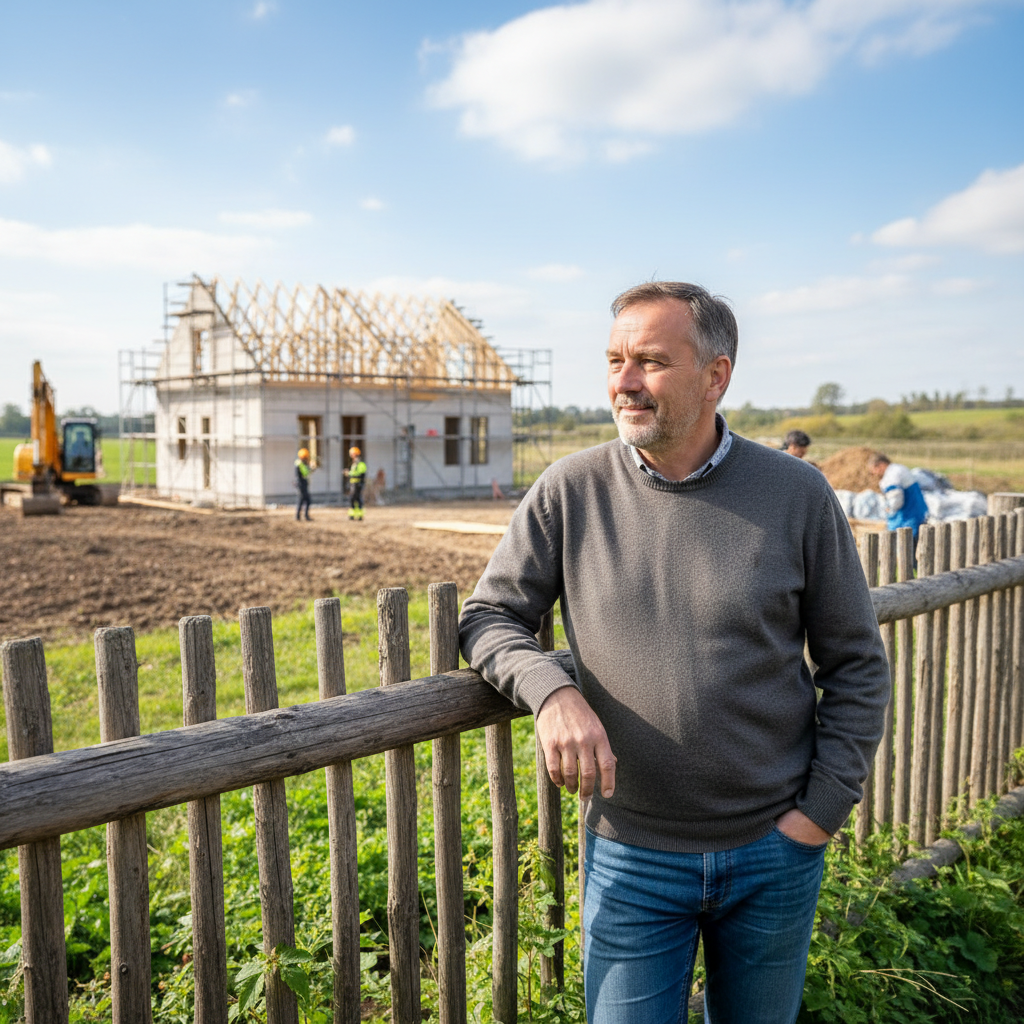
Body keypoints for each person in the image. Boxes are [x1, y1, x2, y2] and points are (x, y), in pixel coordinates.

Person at [459, 281, 890, 1024]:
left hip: (773, 850)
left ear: (716, 375)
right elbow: (489, 615)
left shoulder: (797, 493)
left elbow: (856, 665)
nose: (624, 383)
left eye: (651, 362)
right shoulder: (571, 491)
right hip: (631, 854)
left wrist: (818, 814)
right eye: (615, 360)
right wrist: (551, 691)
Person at [867, 452, 928, 539]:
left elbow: (896, 499)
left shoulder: (891, 476)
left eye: (874, 470)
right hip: (916, 514)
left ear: (881, 465)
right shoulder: (899, 468)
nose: (875, 474)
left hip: (906, 519)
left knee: (904, 546)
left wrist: (889, 509)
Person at [345, 446, 367, 521]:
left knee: (355, 499)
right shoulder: (354, 464)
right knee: (354, 499)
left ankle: (358, 515)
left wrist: (349, 474)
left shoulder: (360, 464)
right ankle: (354, 515)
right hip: (353, 484)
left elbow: (360, 475)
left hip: (357, 484)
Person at [294, 447, 314, 521]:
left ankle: (299, 516)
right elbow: (305, 472)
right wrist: (311, 468)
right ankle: (302, 516)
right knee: (305, 500)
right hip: (301, 484)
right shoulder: (300, 464)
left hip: (301, 484)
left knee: (302, 500)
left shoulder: (299, 463)